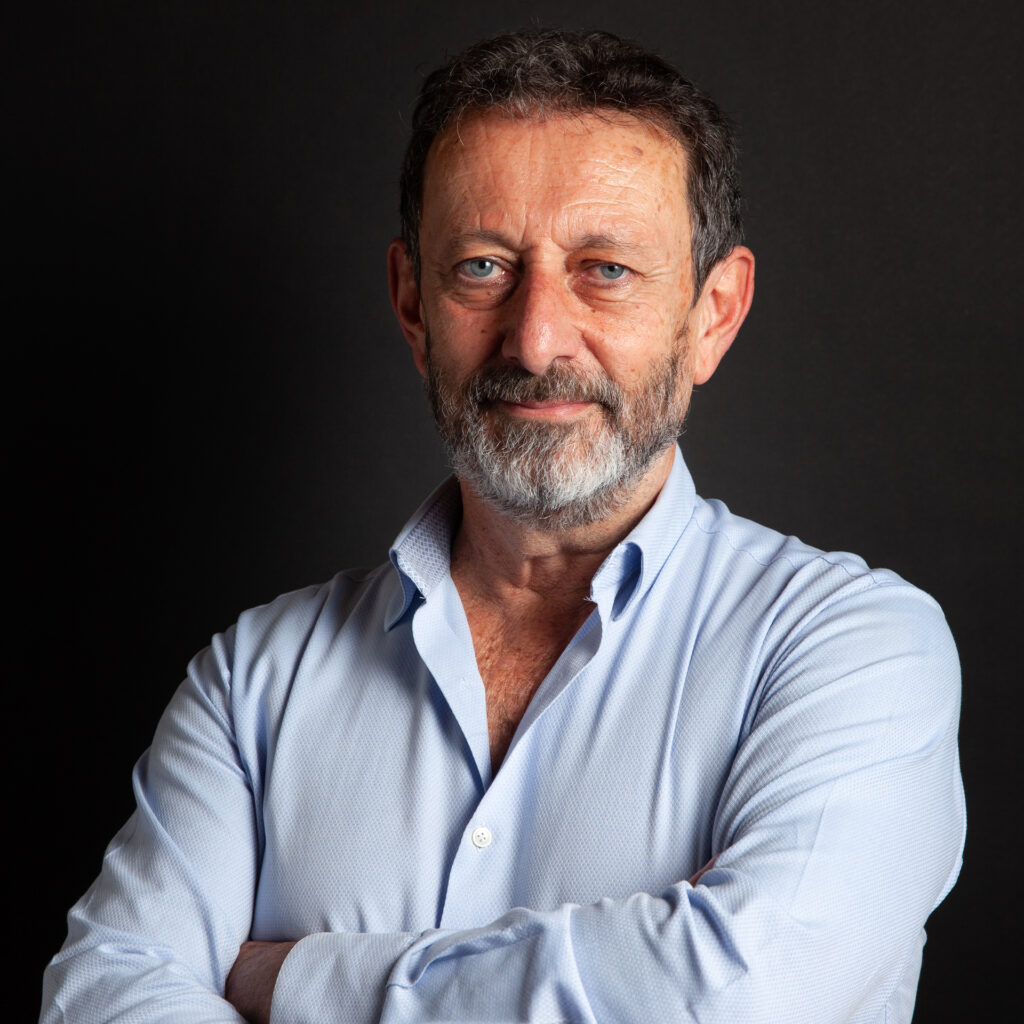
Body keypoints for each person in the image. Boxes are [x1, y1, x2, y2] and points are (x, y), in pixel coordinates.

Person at [40, 29, 965, 1024]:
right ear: (412, 304)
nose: (534, 338)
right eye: (483, 267)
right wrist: (644, 966)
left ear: (713, 314)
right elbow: (103, 997)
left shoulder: (850, 651)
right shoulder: (255, 680)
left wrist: (290, 980)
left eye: (605, 269)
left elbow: (746, 995)